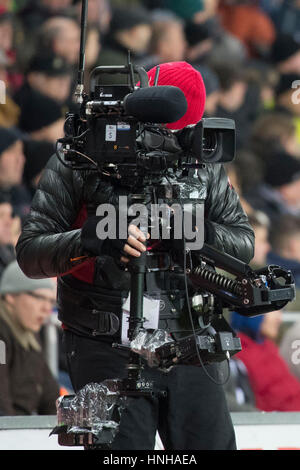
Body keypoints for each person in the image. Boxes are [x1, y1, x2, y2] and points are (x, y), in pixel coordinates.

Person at [16, 61, 254, 450]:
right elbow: (29, 254)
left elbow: (244, 242)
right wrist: (90, 240)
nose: (173, 147)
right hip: (104, 339)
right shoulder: (82, 158)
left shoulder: (203, 161)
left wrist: (199, 234)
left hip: (191, 336)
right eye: (165, 134)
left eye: (183, 135)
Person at [0, 260, 59, 416]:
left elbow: (51, 396)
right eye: (39, 297)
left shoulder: (29, 336)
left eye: (50, 301)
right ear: (11, 296)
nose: (46, 309)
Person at [231, 310, 300, 412]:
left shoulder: (268, 346)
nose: (279, 319)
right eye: (274, 311)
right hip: (277, 422)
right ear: (255, 314)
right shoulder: (237, 354)